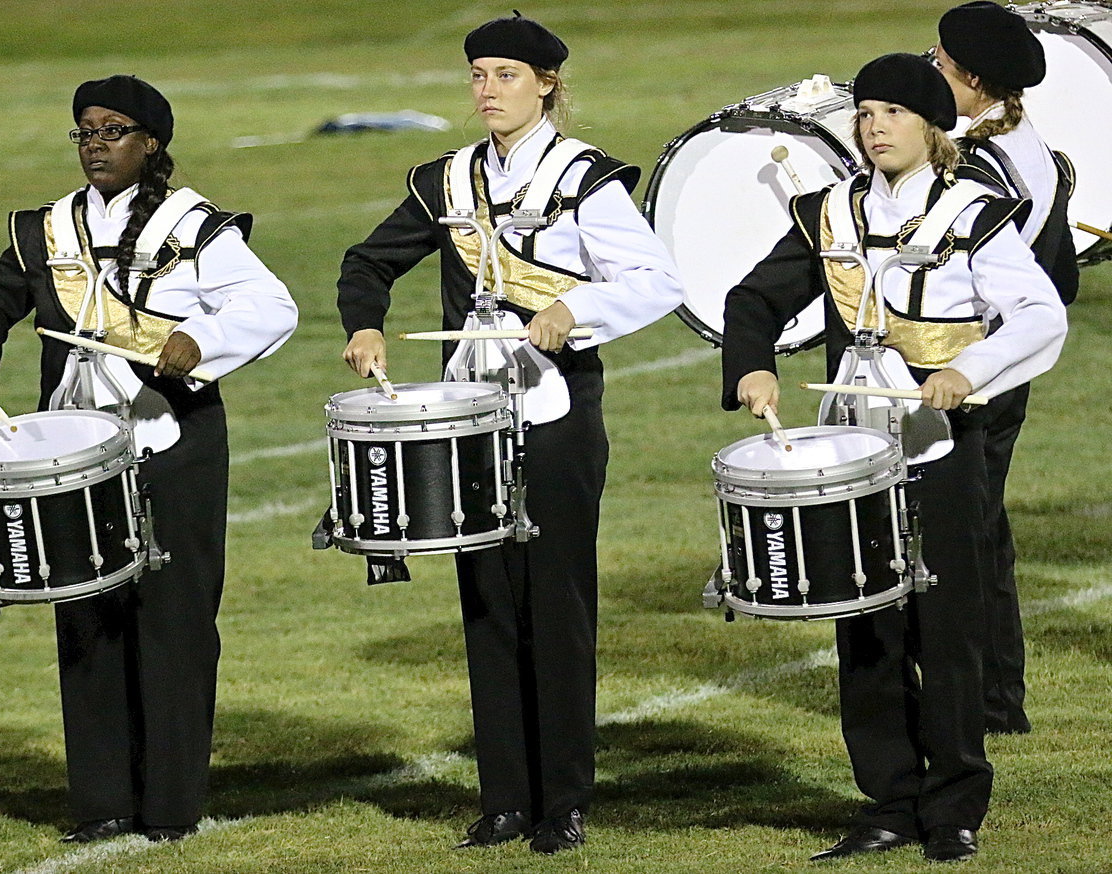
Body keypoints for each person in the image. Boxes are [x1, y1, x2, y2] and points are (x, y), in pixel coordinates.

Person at [336, 12, 682, 854]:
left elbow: (657, 277)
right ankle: (503, 800)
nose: (489, 90)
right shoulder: (448, 180)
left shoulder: (585, 179)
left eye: (507, 76)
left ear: (548, 85)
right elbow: (367, 261)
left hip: (557, 415)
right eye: (480, 74)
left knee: (555, 604)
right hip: (469, 421)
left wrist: (577, 307)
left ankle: (563, 799)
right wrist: (366, 323)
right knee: (487, 603)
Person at [720, 54, 1066, 862]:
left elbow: (1039, 315)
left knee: (946, 628)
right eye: (865, 113)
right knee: (865, 623)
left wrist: (965, 372)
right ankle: (886, 801)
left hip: (945, 445)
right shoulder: (829, 211)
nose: (875, 128)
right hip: (854, 446)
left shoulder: (976, 212)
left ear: (931, 125)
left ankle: (953, 807)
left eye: (893, 113)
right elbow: (754, 298)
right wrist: (753, 363)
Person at [0, 75, 297, 843]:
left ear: (151, 143)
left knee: (174, 624)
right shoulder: (48, 228)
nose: (96, 144)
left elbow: (271, 305)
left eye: (114, 131)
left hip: (171, 446)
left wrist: (200, 341)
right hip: (76, 452)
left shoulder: (194, 225)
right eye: (86, 132)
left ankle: (170, 809)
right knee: (88, 620)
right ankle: (102, 805)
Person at [934, 0, 1079, 735]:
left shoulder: (983, 168)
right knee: (982, 530)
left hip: (973, 368)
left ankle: (989, 699)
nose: (932, 70)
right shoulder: (1024, 139)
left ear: (973, 80)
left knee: (968, 536)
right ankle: (996, 699)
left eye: (940, 65)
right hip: (1005, 368)